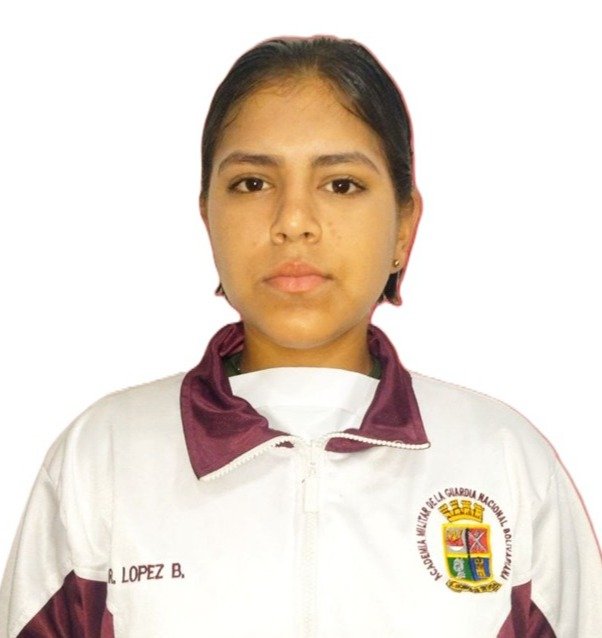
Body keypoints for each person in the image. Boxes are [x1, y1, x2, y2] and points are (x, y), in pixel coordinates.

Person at [1, 35, 600, 638]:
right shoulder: (102, 458)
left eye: (341, 184)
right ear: (208, 216)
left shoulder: (504, 460)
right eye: (252, 184)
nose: (293, 222)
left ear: (404, 225)